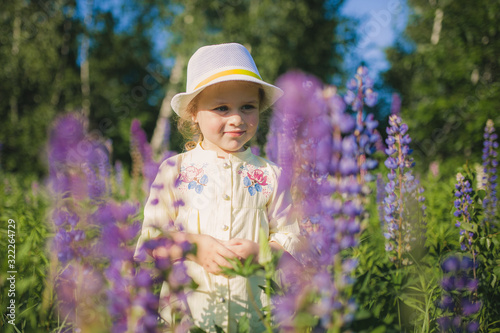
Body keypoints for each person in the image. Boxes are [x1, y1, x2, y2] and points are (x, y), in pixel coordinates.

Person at [134, 43, 300, 332]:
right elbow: (151, 243)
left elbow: (293, 240)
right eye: (222, 108)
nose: (237, 118)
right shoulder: (175, 170)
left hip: (256, 318)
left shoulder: (271, 175)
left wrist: (262, 252)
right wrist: (193, 246)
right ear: (194, 113)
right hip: (188, 318)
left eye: (247, 106)